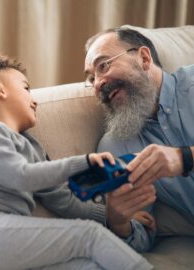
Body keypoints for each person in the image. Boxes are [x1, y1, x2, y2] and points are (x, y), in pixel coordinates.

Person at [0, 54, 153, 270]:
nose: (34, 99)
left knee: (88, 265)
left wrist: (112, 216)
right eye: (26, 88)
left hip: (9, 242)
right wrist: (85, 162)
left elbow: (64, 200)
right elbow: (20, 176)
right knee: (89, 235)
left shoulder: (32, 147)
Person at [84, 26, 194, 252]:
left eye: (103, 66)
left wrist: (185, 157)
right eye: (91, 79)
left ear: (144, 58)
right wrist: (119, 223)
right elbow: (143, 235)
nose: (97, 84)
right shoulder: (114, 145)